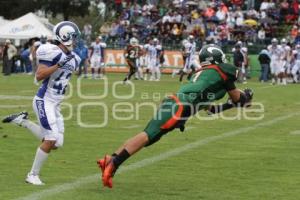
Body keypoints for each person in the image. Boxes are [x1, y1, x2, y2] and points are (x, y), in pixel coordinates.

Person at [97, 44, 254, 188]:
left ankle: (110, 159)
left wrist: (231, 104)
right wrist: (245, 97)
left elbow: (212, 109)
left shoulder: (203, 76)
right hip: (179, 106)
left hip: (175, 103)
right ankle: (114, 164)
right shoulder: (222, 71)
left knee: (147, 135)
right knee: (146, 136)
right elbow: (237, 96)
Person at [2, 21, 81, 185]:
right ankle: (32, 175)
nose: (75, 41)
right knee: (50, 138)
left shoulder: (74, 58)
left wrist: (68, 62)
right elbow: (39, 75)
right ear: (64, 37)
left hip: (55, 104)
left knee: (56, 142)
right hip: (44, 100)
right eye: (73, 37)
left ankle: (22, 121)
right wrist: (59, 64)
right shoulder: (51, 51)